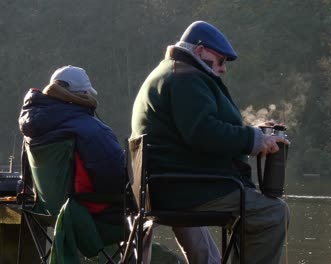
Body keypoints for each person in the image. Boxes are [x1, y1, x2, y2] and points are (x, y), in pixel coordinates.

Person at [131, 21, 290, 264]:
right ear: (199, 51)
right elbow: (203, 132)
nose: (223, 68)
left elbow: (200, 127)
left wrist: (253, 133)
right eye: (221, 60)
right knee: (271, 213)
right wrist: (253, 140)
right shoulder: (185, 78)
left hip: (170, 185)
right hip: (186, 187)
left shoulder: (171, 72)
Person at [18, 66, 158, 263]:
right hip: (89, 218)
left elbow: (27, 181)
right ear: (83, 95)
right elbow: (115, 179)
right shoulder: (90, 129)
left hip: (46, 214)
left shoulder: (32, 130)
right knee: (145, 216)